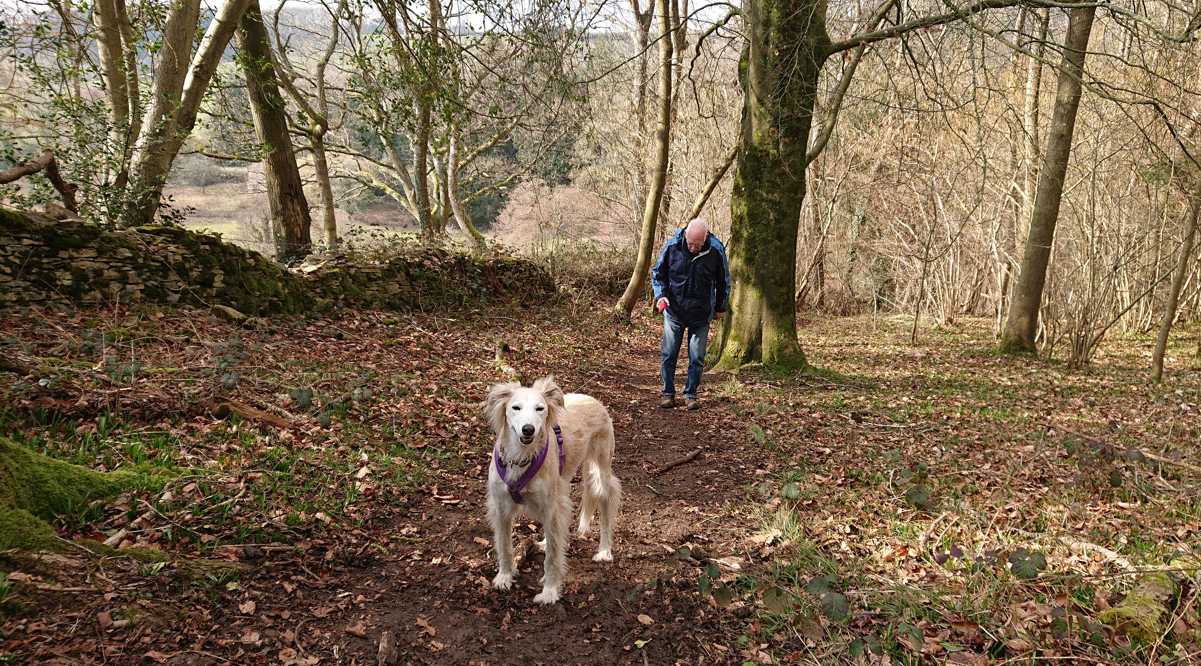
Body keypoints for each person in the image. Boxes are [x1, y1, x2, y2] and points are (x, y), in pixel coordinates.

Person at [651, 218, 730, 410]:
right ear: (685, 235)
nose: (693, 247)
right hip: (674, 311)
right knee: (669, 353)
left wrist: (720, 307)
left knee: (697, 357)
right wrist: (661, 296)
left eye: (698, 244)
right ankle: (667, 393)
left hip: (701, 314)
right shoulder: (672, 246)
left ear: (706, 238)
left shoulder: (716, 251)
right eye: (691, 243)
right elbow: (658, 274)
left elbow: (723, 281)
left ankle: (691, 394)